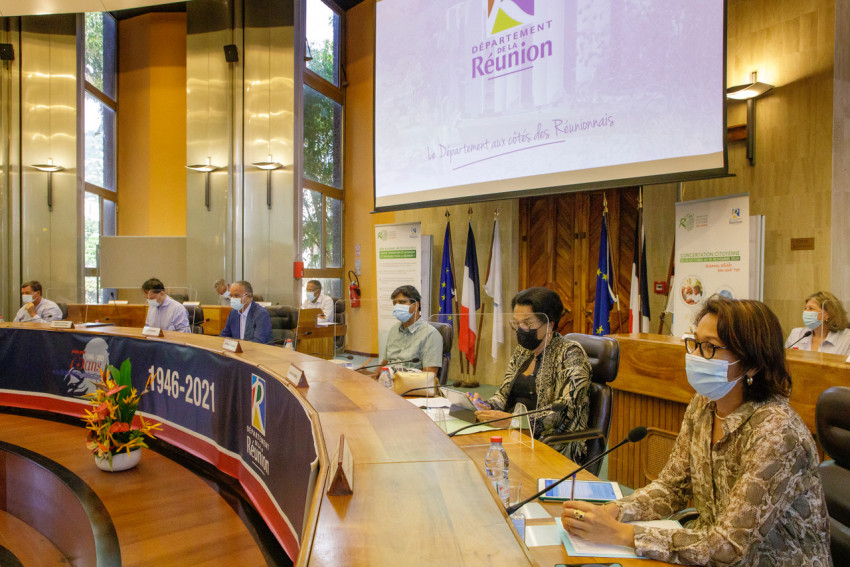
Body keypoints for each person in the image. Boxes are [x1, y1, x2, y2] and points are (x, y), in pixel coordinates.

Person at [561, 296, 831, 566]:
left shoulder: (778, 431)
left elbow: (730, 547)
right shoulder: (703, 404)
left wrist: (623, 534)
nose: (696, 356)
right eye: (695, 343)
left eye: (710, 347)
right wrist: (614, 512)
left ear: (753, 363)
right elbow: (671, 488)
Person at [469, 287, 591, 463]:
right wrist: (485, 406)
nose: (521, 329)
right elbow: (503, 395)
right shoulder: (523, 352)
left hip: (554, 445)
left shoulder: (570, 353)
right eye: (516, 323)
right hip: (516, 437)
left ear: (549, 323)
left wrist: (514, 421)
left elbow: (564, 411)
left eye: (527, 323)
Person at [379, 285, 442, 375]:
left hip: (410, 385)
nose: (397, 306)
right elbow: (384, 363)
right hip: (387, 382)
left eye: (402, 302)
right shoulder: (394, 329)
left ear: (416, 305)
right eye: (395, 303)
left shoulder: (431, 334)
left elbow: (429, 376)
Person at [785, 290, 850, 355]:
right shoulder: (796, 334)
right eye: (805, 308)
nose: (806, 312)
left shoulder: (847, 339)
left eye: (811, 309)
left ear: (828, 314)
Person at [220, 280, 272, 344]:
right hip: (238, 352)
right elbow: (224, 336)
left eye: (236, 295)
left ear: (248, 296)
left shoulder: (261, 314)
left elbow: (258, 343)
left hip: (259, 352)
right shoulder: (233, 312)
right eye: (231, 296)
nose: (233, 299)